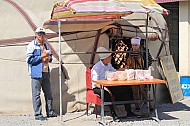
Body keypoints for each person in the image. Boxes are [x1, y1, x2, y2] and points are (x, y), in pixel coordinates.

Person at [91, 47, 137, 120]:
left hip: (108, 85)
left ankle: (129, 112)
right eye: (109, 56)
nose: (111, 57)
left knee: (124, 89)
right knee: (106, 93)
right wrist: (105, 88)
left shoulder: (108, 65)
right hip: (98, 87)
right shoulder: (96, 67)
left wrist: (123, 70)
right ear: (105, 58)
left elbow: (114, 72)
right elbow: (95, 82)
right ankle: (113, 114)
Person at [26, 27, 57, 121]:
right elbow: (29, 60)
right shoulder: (32, 45)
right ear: (35, 34)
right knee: (36, 94)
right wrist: (41, 57)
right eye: (39, 34)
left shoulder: (46, 45)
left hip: (46, 72)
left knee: (48, 93)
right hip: (36, 73)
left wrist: (49, 59)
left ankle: (50, 112)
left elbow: (50, 57)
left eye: (43, 34)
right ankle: (38, 114)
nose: (41, 36)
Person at [125, 37, 153, 111]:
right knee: (135, 91)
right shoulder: (129, 52)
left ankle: (149, 106)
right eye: (133, 45)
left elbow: (150, 60)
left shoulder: (144, 51)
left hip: (142, 73)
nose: (134, 47)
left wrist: (146, 68)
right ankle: (137, 106)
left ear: (139, 45)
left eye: (136, 45)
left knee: (143, 90)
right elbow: (126, 62)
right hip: (132, 73)